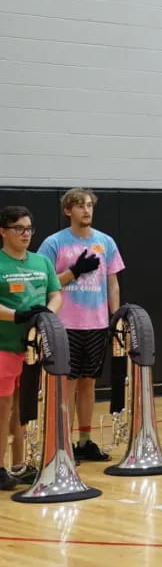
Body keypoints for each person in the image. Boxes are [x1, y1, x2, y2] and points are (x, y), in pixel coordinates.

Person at [37, 188, 125, 462]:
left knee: (89, 384)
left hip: (96, 324)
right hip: (65, 324)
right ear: (68, 211)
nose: (86, 210)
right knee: (67, 385)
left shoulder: (106, 242)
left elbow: (112, 283)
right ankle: (62, 442)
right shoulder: (54, 243)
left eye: (89, 205)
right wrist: (74, 272)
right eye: (80, 206)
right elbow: (45, 283)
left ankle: (85, 441)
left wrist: (115, 318)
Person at [0, 206, 62, 489]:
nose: (26, 234)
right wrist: (16, 316)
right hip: (4, 346)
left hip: (34, 349)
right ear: (3, 231)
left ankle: (19, 463)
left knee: (25, 408)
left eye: (29, 229)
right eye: (19, 229)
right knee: (3, 407)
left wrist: (47, 313)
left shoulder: (41, 263)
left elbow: (56, 293)